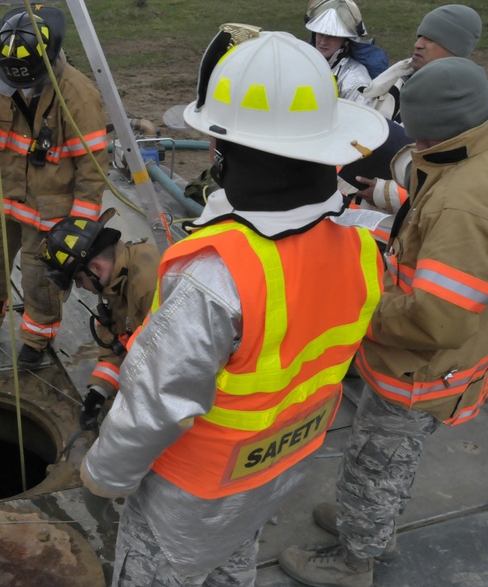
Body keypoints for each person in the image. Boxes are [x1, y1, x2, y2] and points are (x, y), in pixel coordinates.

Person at [80, 29, 389, 587]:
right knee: (231, 561)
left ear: (227, 148)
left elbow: (155, 404)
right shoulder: (361, 246)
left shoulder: (215, 275)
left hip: (191, 493)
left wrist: (104, 473)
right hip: (278, 466)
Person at [279, 58, 488, 587]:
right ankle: (366, 517)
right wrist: (382, 196)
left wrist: (358, 305)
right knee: (385, 454)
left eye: (411, 118)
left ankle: (356, 557)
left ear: (438, 120)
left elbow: (438, 318)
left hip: (417, 367)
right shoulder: (464, 159)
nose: (404, 129)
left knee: (379, 456)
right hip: (419, 359)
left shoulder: (462, 205)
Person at [0, 6, 110, 368]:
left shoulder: (78, 96)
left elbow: (92, 169)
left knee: (39, 280)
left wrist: (80, 226)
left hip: (47, 213)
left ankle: (37, 338)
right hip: (0, 199)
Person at [38, 209, 161, 430]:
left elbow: (167, 365)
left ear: (96, 267)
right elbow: (117, 344)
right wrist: (98, 392)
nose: (79, 287)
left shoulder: (149, 287)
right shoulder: (115, 282)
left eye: (78, 279)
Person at [363, 4, 482, 122]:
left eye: (430, 39)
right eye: (420, 37)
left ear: (456, 48)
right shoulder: (396, 80)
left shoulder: (461, 107)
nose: (418, 45)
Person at [304, 0, 383, 106]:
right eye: (320, 34)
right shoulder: (303, 64)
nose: (323, 42)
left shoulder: (357, 80)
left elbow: (358, 120)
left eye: (332, 36)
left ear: (345, 40)